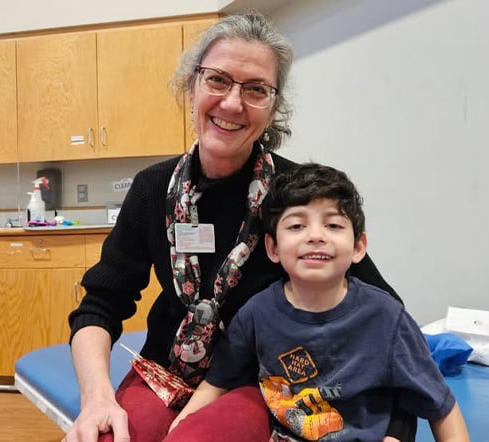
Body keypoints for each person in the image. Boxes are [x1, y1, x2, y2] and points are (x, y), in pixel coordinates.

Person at [65, 11, 415, 442]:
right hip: (163, 372)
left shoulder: (298, 195)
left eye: (255, 90)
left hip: (258, 382)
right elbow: (101, 304)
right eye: (217, 80)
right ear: (191, 87)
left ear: (272, 109)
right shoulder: (152, 188)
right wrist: (97, 398)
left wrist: (397, 429)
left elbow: (384, 314)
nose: (232, 103)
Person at [171, 163, 470, 441]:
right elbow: (216, 384)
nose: (315, 236)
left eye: (333, 226)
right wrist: (176, 430)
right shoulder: (256, 315)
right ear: (273, 248)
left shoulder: (387, 319)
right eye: (297, 226)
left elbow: (442, 408)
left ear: (358, 247)